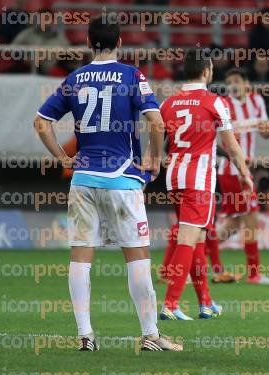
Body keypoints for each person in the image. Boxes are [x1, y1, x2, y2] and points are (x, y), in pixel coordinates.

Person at [34, 17, 181, 351]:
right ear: (119, 42)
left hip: (83, 180)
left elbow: (41, 124)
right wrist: (155, 160)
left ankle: (85, 336)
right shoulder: (132, 75)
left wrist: (63, 158)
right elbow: (156, 123)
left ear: (88, 41)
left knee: (80, 258)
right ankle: (151, 335)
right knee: (137, 257)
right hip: (121, 178)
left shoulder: (75, 77)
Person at [159, 51, 254, 320]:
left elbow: (159, 138)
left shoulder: (169, 102)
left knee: (198, 237)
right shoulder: (215, 101)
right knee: (188, 239)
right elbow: (231, 145)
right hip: (198, 179)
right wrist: (245, 172)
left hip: (174, 176)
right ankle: (171, 304)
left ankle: (205, 303)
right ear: (206, 72)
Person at [207, 68, 269, 285]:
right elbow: (219, 139)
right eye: (230, 82)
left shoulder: (256, 101)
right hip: (231, 170)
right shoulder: (223, 104)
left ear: (246, 83)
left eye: (237, 80)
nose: (233, 85)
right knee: (250, 219)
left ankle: (197, 255)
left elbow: (265, 132)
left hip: (243, 172)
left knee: (235, 223)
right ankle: (254, 274)